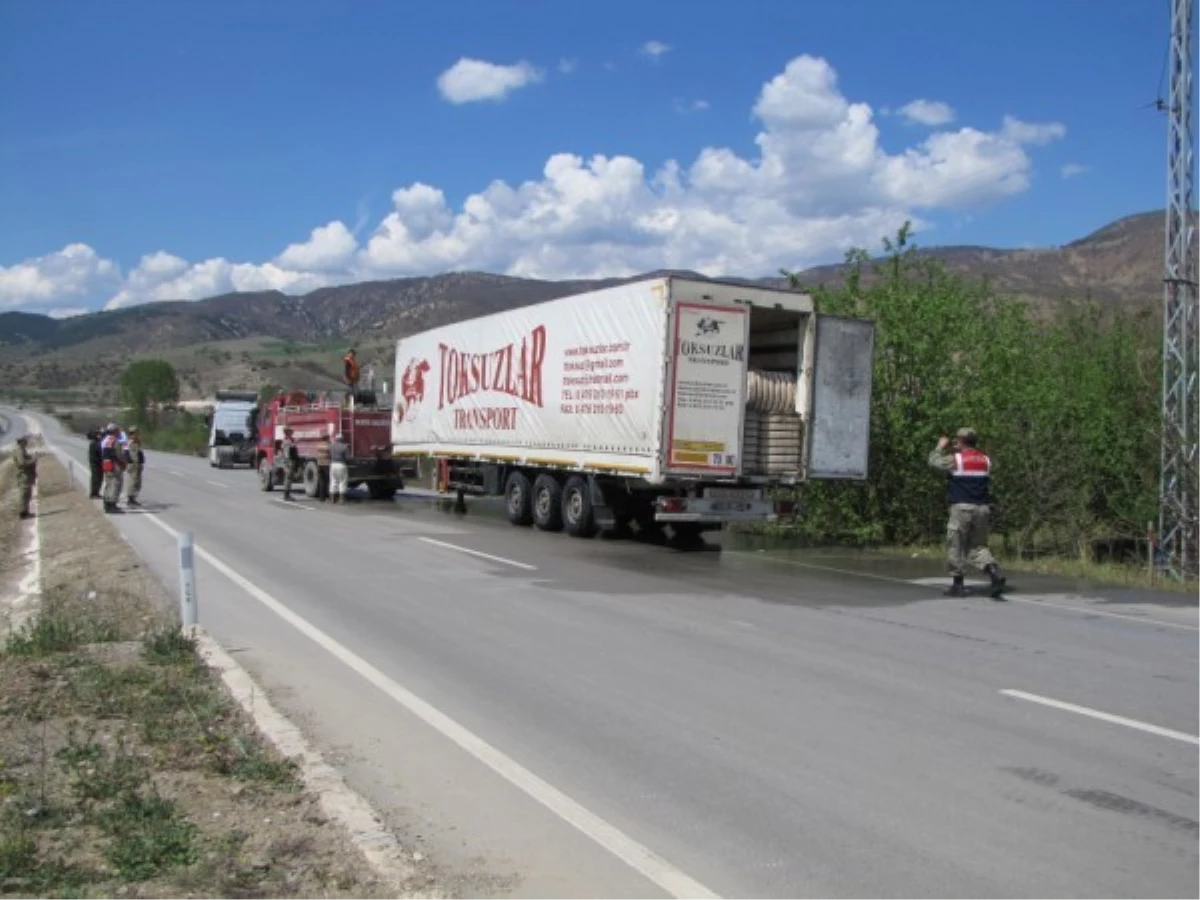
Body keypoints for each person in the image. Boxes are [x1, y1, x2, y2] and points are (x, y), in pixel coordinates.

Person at [928, 427, 1007, 599]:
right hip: (982, 509)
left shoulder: (956, 459)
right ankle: (993, 572)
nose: (954, 442)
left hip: (961, 508)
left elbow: (933, 462)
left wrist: (940, 446)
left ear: (961, 441)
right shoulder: (986, 460)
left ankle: (958, 585)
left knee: (956, 544)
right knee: (978, 547)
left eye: (956, 440)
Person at [100, 423, 124, 514]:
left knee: (108, 484)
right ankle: (112, 504)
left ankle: (106, 503)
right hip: (114, 464)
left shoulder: (106, 440)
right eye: (117, 430)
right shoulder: (115, 441)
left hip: (106, 464)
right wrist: (122, 463)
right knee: (115, 484)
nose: (119, 432)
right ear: (114, 431)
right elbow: (119, 454)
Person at [12, 434, 37, 520]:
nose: (27, 442)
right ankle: (23, 513)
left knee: (27, 494)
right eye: (25, 440)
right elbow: (22, 463)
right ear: (21, 442)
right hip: (23, 476)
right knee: (24, 494)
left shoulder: (22, 450)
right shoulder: (19, 451)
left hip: (26, 475)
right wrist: (33, 460)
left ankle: (26, 512)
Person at [124, 426, 145, 507]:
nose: (136, 434)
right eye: (134, 433)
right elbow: (133, 456)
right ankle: (130, 498)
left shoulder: (136, 442)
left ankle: (133, 498)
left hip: (136, 464)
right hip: (133, 464)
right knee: (133, 481)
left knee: (136, 482)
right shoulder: (132, 442)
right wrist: (136, 465)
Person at [328, 432, 350, 503]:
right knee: (342, 481)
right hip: (341, 465)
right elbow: (347, 458)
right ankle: (341, 499)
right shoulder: (345, 446)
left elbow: (329, 455)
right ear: (342, 439)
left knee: (333, 481)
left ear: (336, 439)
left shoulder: (331, 446)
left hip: (333, 464)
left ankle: (332, 499)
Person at [280, 426, 299, 501]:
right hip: (289, 462)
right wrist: (289, 464)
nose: (292, 432)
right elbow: (287, 454)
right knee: (288, 478)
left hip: (290, 461)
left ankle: (287, 494)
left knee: (289, 478)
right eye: (290, 431)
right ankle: (286, 495)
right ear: (287, 432)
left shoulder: (289, 440)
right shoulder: (286, 441)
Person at [86, 429, 102, 498]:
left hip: (98, 463)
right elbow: (95, 455)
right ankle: (93, 493)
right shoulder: (93, 443)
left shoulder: (98, 442)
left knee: (99, 478)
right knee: (95, 478)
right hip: (95, 464)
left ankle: (97, 492)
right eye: (98, 435)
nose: (99, 436)